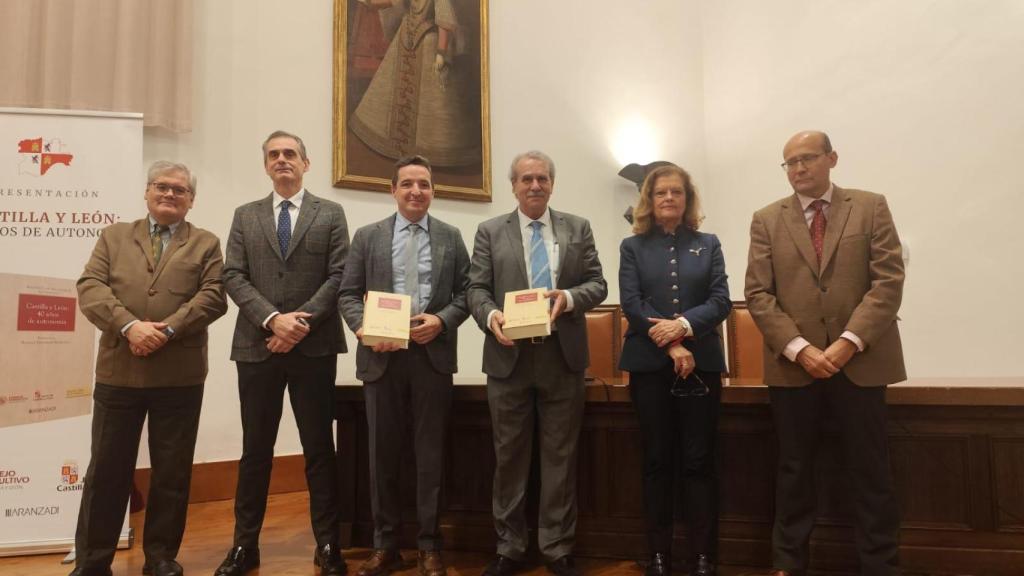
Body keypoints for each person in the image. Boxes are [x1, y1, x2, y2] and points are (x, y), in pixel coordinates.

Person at [744, 131, 906, 576]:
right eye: (789, 162)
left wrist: (847, 343)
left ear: (831, 158)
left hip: (861, 363)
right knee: (794, 470)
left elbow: (888, 281)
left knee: (870, 471)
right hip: (794, 368)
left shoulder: (870, 206)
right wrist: (800, 349)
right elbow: (758, 293)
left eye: (807, 159)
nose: (798, 169)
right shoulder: (766, 219)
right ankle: (788, 564)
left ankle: (880, 565)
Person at [73, 161, 227, 576]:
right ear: (146, 192)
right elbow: (90, 287)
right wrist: (130, 326)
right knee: (106, 470)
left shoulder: (207, 243)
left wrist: (168, 329)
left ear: (191, 200)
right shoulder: (114, 236)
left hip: (180, 376)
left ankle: (160, 557)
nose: (170, 194)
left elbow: (214, 296)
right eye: (162, 186)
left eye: (180, 190)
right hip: (118, 372)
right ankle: (93, 561)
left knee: (172, 473)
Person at [467, 151, 608, 576]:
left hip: (561, 359)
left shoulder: (577, 228)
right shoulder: (490, 231)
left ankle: (557, 546)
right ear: (513, 185)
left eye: (542, 178)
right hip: (508, 359)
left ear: (552, 183)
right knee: (509, 456)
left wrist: (566, 299)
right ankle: (510, 546)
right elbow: (476, 289)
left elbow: (597, 284)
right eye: (526, 178)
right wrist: (492, 319)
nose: (534, 185)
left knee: (560, 457)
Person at [216, 131, 350, 576]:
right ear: (266, 165)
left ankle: (328, 544)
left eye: (290, 153)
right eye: (273, 155)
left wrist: (300, 323)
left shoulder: (330, 214)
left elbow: (339, 276)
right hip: (258, 346)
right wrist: (274, 320)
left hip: (314, 349)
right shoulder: (245, 215)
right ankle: (244, 546)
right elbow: (233, 274)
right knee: (256, 450)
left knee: (317, 448)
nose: (282, 160)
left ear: (305, 163)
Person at [338, 155, 470, 576]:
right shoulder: (367, 236)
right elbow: (347, 294)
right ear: (392, 190)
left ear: (434, 191)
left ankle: (430, 546)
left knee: (430, 455)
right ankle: (385, 546)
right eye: (408, 183)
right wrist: (362, 330)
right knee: (382, 455)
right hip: (382, 358)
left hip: (432, 358)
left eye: (425, 184)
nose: (417, 191)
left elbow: (469, 292)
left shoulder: (451, 237)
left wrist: (442, 320)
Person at [618, 164, 731, 576]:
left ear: (687, 200)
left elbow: (720, 300)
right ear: (649, 199)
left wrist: (682, 327)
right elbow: (632, 302)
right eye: (661, 193)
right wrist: (671, 344)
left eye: (677, 193)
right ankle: (659, 555)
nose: (669, 198)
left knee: (699, 460)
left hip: (702, 365)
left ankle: (704, 555)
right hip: (649, 366)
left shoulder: (709, 243)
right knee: (656, 459)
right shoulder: (632, 247)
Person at [350, 0, 480, 166]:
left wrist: (441, 53)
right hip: (405, 39)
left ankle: (432, 149)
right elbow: (390, 2)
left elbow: (444, 21)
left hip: (429, 42)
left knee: (434, 103)